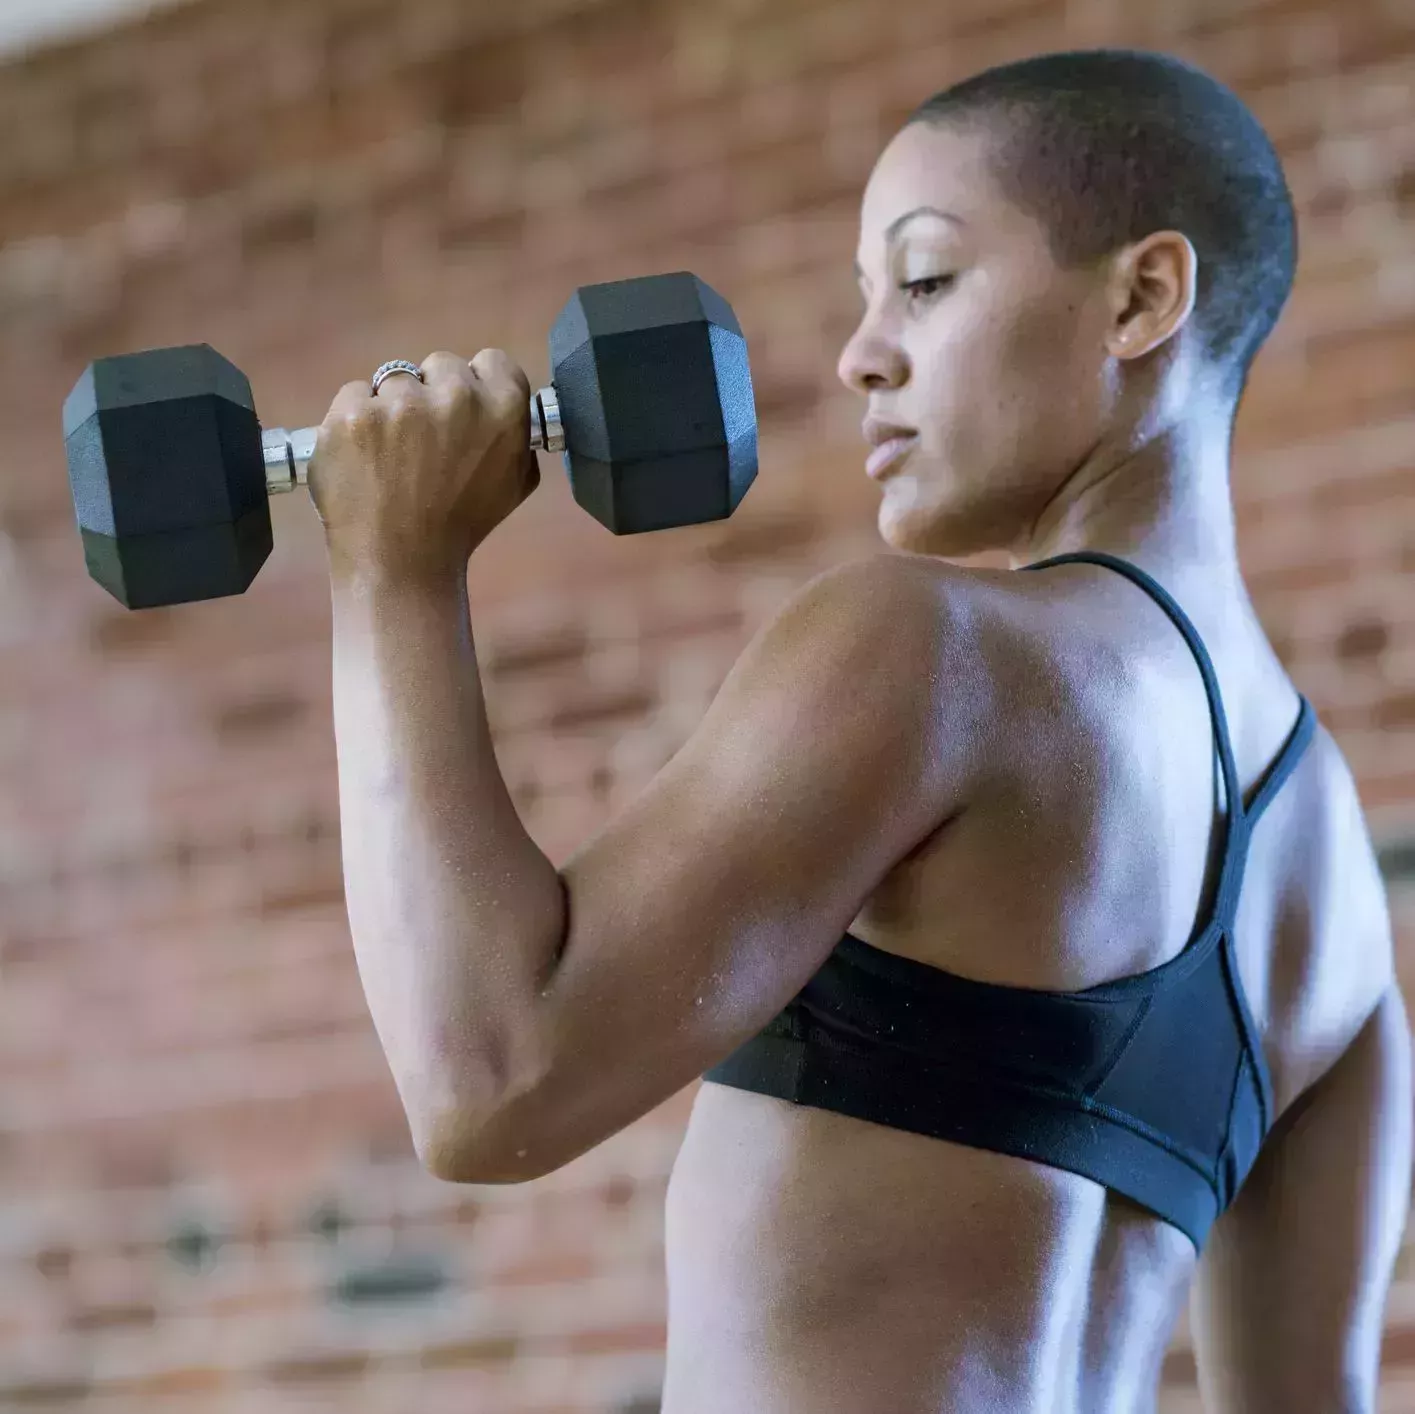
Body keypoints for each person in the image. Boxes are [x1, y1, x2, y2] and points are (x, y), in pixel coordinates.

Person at [309, 48, 1413, 1414]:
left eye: (927, 279)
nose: (860, 353)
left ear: (1141, 297)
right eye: (864, 296)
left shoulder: (933, 648)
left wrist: (391, 571)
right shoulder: (1335, 891)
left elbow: (490, 1080)